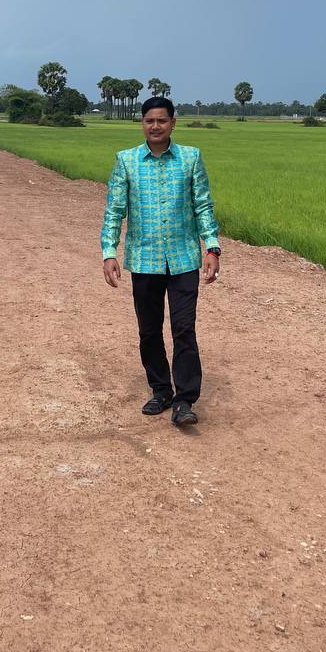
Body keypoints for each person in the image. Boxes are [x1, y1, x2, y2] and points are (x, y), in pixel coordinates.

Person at [101, 96, 220, 426]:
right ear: (142, 124)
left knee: (184, 329)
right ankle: (161, 390)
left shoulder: (190, 158)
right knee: (149, 331)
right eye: (149, 121)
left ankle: (184, 400)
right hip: (144, 260)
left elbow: (203, 206)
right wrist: (109, 252)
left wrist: (212, 247)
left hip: (183, 259)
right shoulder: (126, 161)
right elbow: (115, 210)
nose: (155, 126)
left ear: (172, 123)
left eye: (162, 120)